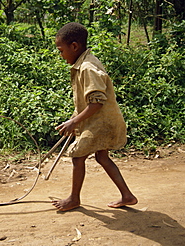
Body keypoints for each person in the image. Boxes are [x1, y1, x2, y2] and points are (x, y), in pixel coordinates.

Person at [52, 22, 138, 211]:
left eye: (61, 50)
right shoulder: (85, 62)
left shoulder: (87, 68)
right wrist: (75, 120)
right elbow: (88, 101)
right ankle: (127, 195)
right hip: (101, 120)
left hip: (102, 122)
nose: (61, 55)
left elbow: (97, 102)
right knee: (102, 157)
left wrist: (74, 121)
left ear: (74, 46)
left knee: (78, 157)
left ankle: (74, 199)